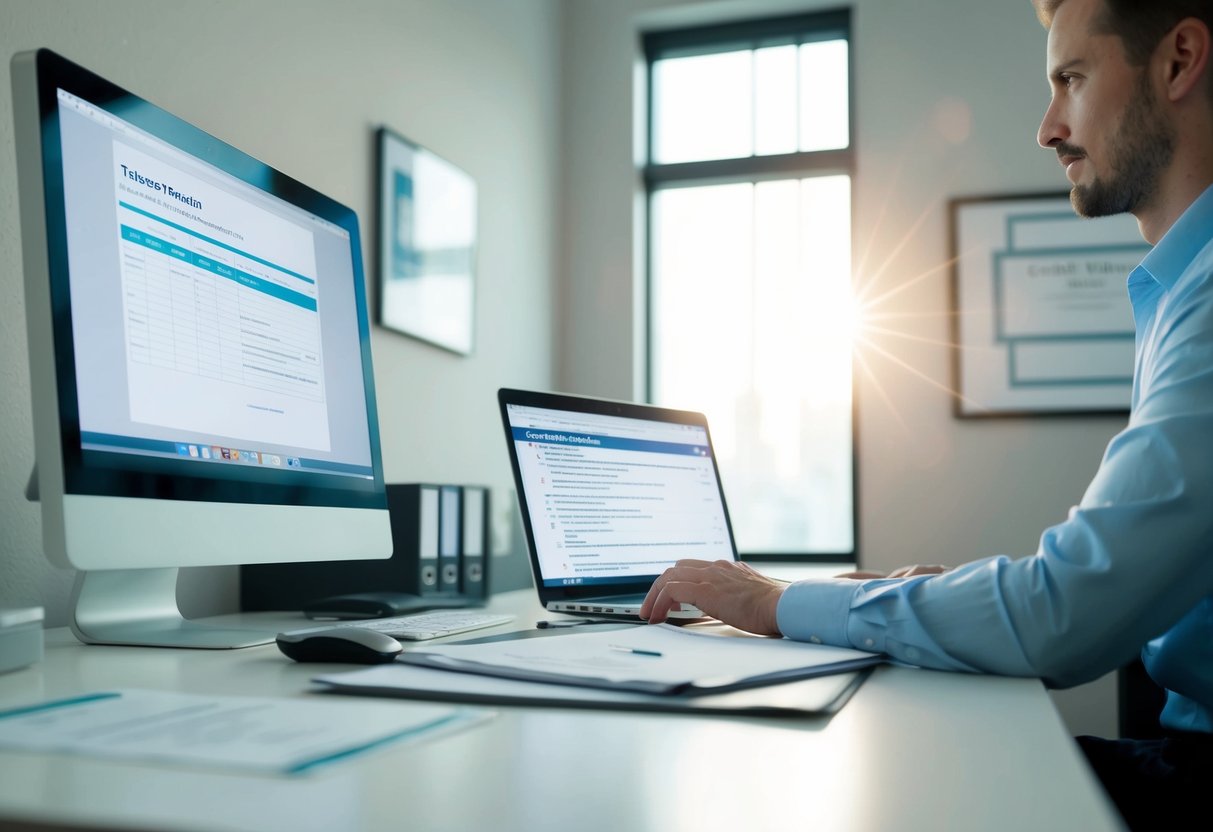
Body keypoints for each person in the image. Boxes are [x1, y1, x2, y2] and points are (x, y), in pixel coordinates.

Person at [639, 0, 1213, 828]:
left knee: (877, 784)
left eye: (1071, 80)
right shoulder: (1176, 292)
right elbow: (1099, 577)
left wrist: (774, 603)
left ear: (1178, 60)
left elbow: (1066, 617)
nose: (1048, 127)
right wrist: (941, 599)